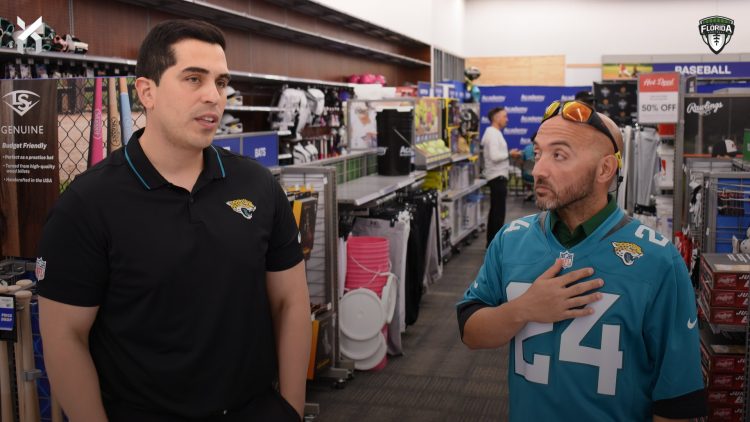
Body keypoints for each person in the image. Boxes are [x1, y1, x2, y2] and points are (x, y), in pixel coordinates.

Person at [37, 20, 310, 422]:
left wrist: (290, 410)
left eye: (220, 82)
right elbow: (64, 337)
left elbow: (291, 302)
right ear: (147, 91)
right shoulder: (87, 204)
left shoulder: (258, 186)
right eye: (193, 79)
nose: (213, 96)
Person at [457, 100, 706, 421]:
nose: (538, 169)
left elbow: (677, 403)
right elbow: (470, 333)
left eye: (559, 155)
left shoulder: (659, 261)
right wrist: (522, 309)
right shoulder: (510, 240)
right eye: (539, 152)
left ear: (605, 169)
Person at [482, 106, 510, 247]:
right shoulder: (492, 134)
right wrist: (510, 154)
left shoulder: (494, 133)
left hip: (498, 177)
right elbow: (494, 156)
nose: (507, 119)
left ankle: (492, 243)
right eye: (504, 116)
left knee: (496, 212)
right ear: (496, 118)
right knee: (497, 214)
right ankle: (494, 245)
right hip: (496, 177)